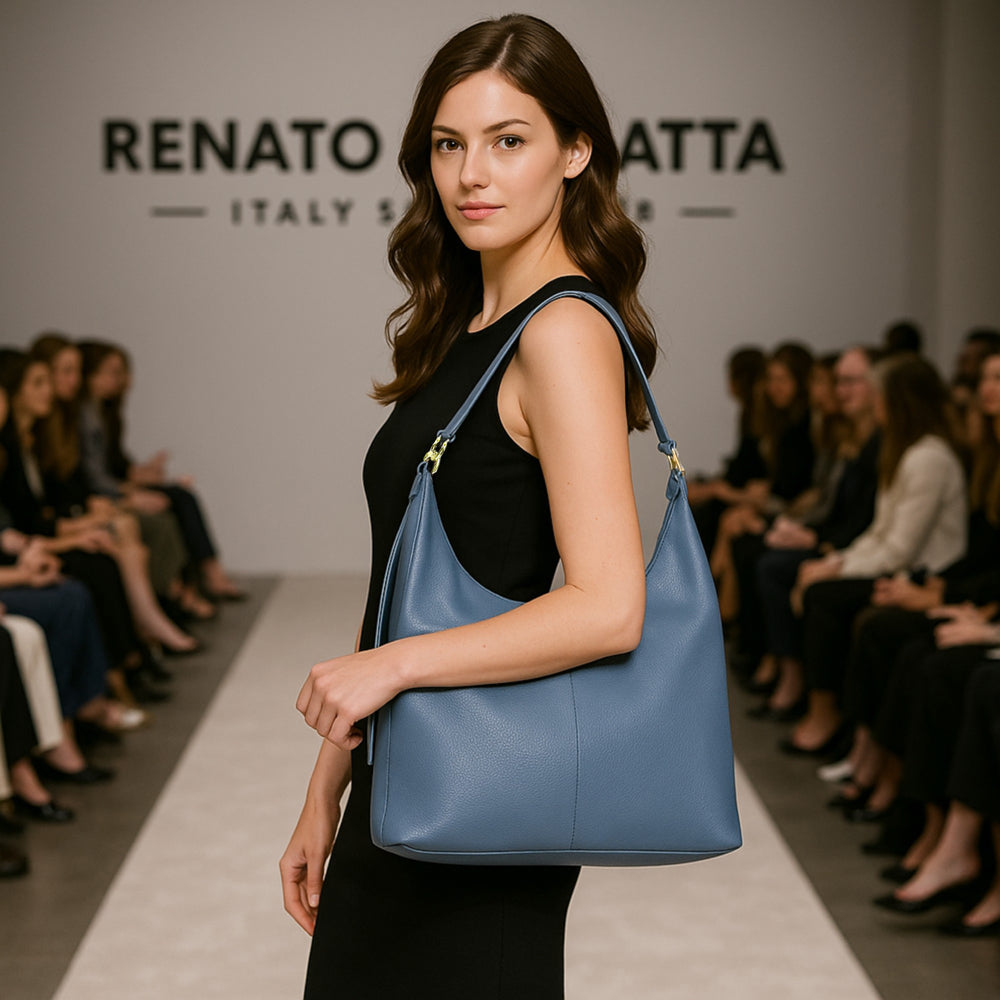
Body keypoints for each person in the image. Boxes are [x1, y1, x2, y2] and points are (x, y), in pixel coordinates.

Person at [281, 14, 654, 998]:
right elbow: (401, 580)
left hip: (485, 784)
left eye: (508, 140)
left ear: (576, 151)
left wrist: (389, 667)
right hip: (404, 776)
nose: (470, 175)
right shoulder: (469, 326)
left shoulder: (562, 332)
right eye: (448, 144)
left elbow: (609, 606)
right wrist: (327, 787)